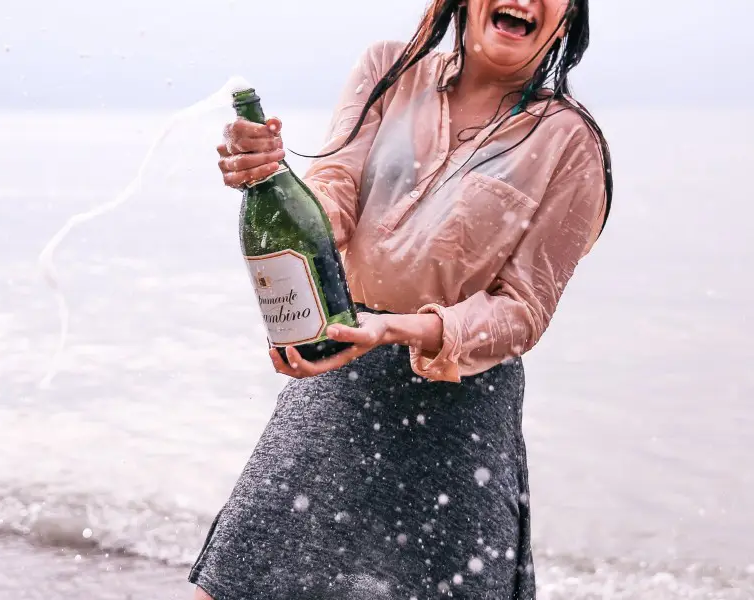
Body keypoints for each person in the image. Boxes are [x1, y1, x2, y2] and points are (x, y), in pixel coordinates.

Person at [190, 0, 613, 598]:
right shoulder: (390, 71)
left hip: (459, 413)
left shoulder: (572, 143)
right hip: (339, 379)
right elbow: (333, 191)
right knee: (238, 587)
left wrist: (399, 330)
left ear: (568, 18)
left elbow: (523, 311)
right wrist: (271, 181)